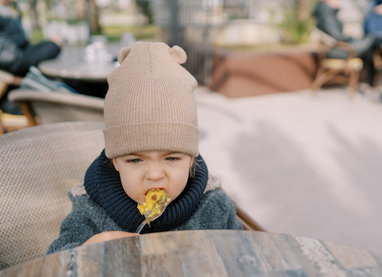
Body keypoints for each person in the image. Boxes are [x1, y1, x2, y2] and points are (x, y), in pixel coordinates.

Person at [47, 42, 243, 253]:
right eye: (135, 160)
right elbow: (53, 265)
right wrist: (84, 252)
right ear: (115, 161)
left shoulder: (214, 206)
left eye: (172, 158)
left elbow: (244, 257)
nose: (155, 174)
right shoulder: (91, 208)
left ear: (191, 159)